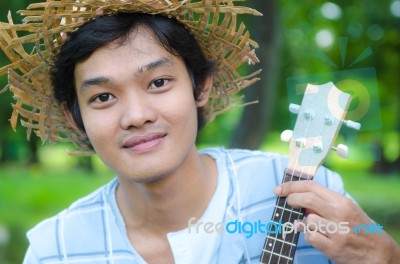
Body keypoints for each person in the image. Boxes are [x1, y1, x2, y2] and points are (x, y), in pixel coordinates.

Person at [0, 1, 399, 263]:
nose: (136, 116)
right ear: (76, 119)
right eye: (103, 97)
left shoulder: (310, 197)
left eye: (158, 83)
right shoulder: (57, 250)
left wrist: (382, 253)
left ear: (201, 86)